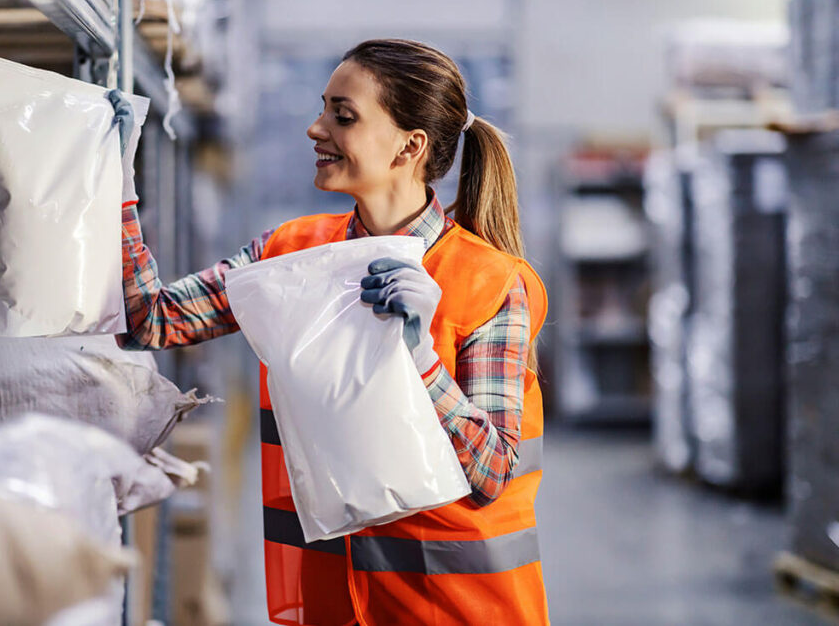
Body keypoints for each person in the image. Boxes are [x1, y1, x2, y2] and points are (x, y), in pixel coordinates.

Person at [108, 38, 549, 626]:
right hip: (334, 604)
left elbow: (492, 471)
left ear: (408, 147)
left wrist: (421, 357)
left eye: (343, 116)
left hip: (456, 611)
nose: (316, 129)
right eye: (323, 110)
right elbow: (152, 320)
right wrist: (115, 184)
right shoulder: (289, 255)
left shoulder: (491, 282)